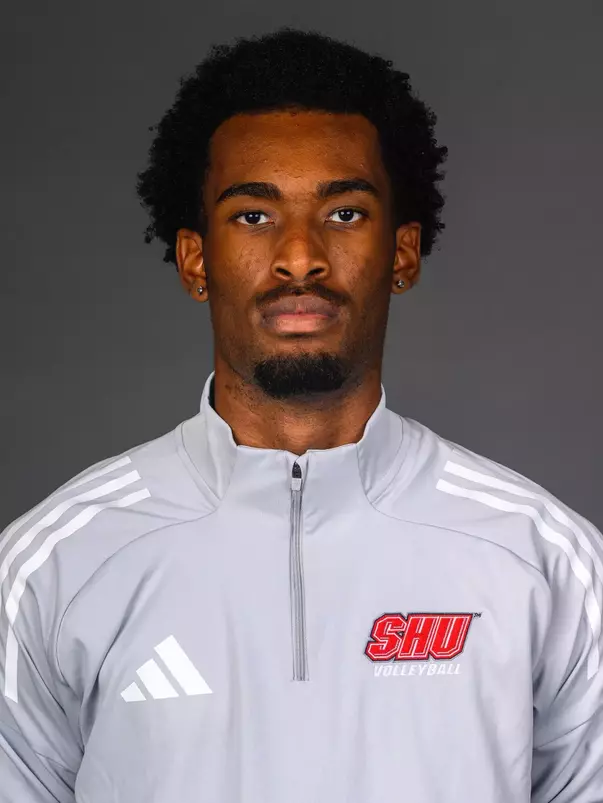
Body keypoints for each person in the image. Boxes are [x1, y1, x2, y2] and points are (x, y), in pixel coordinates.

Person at [0, 26, 601, 803]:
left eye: (344, 213)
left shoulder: (546, 564)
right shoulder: (53, 570)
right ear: (194, 260)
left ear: (403, 253)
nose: (298, 256)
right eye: (252, 216)